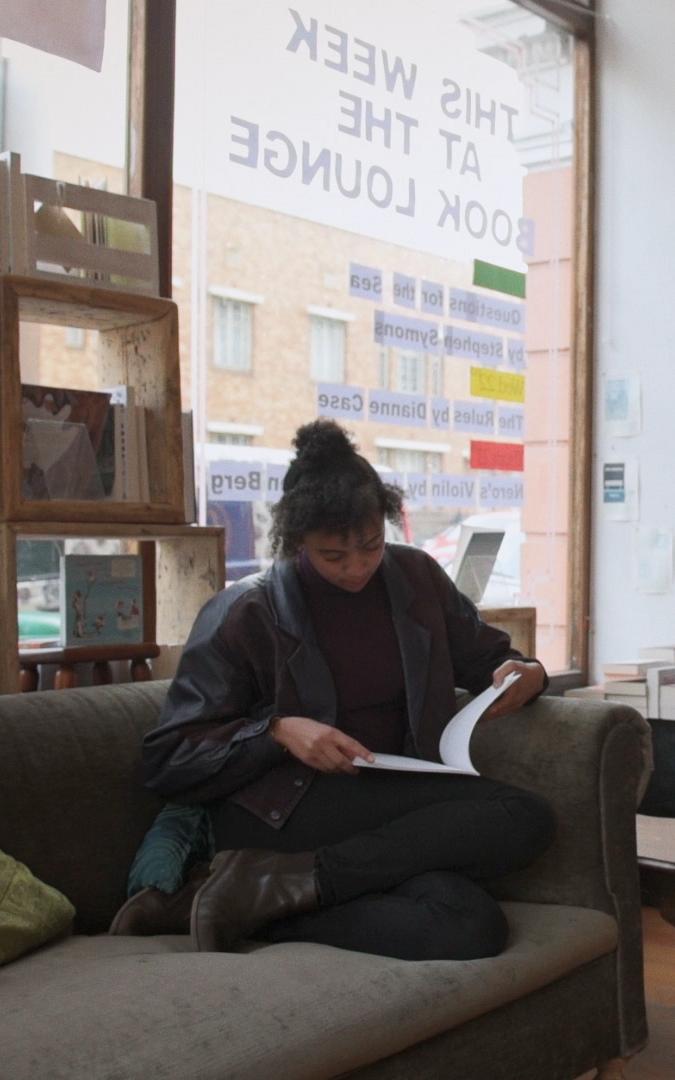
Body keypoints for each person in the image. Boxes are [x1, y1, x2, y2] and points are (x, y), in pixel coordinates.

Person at [112, 419, 553, 961]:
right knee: (519, 814)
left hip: (390, 800)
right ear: (298, 541)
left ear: (385, 522)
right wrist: (276, 733)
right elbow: (167, 759)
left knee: (471, 925)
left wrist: (527, 671)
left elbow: (489, 658)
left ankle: (244, 899)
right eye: (333, 556)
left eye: (370, 546)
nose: (357, 568)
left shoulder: (416, 578)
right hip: (284, 808)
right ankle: (260, 879)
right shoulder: (246, 611)